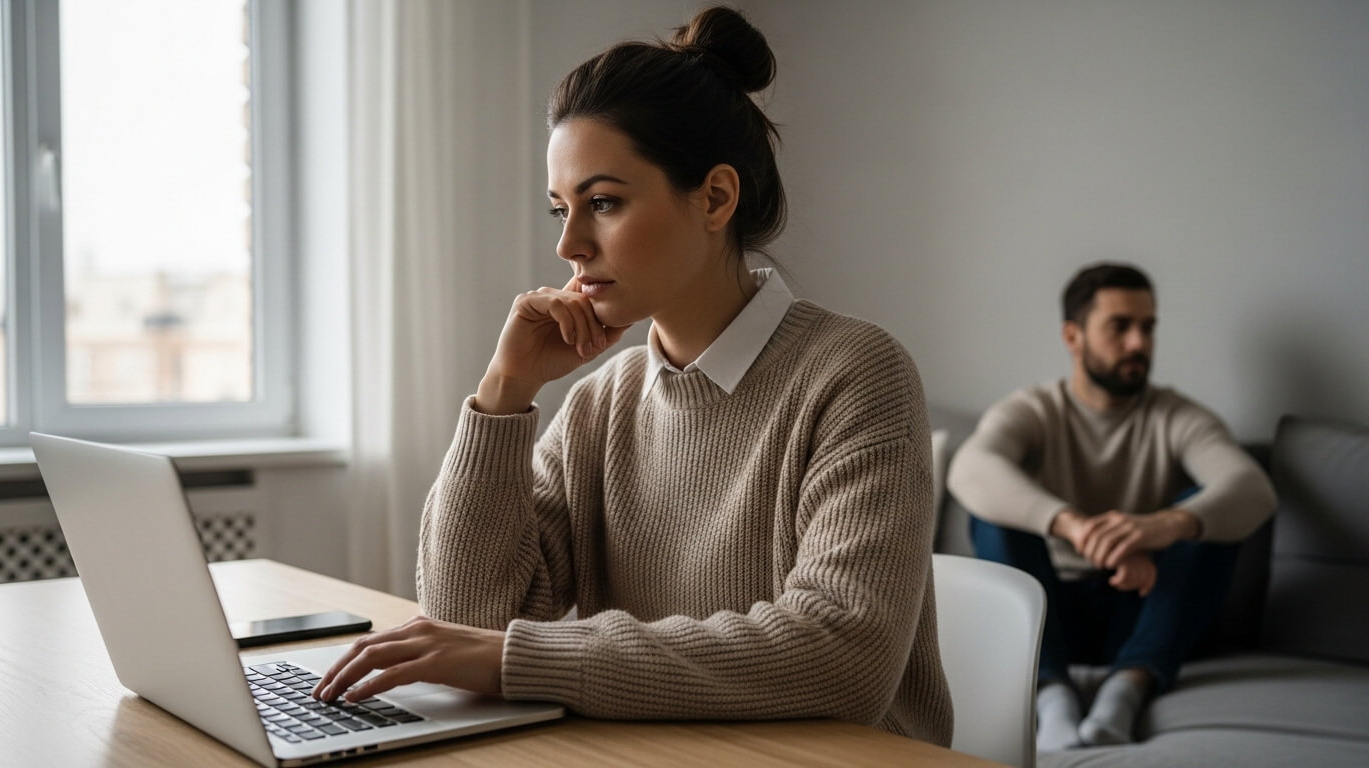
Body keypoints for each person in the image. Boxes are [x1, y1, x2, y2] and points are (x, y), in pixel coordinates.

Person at [312, 6, 953, 745]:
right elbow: (468, 617)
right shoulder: (601, 402)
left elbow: (841, 655)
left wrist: (528, 660)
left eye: (603, 203)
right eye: (560, 208)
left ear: (715, 198)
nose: (568, 245)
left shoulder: (855, 375)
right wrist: (503, 394)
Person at [948, 262, 1276, 751]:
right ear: (1073, 335)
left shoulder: (1176, 416)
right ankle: (1051, 698)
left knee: (1204, 518)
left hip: (1140, 612)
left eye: (1147, 327)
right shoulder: (1036, 409)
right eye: (1120, 327)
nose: (1139, 343)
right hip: (1049, 615)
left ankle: (1126, 693)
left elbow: (1253, 490)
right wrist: (1073, 526)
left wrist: (1161, 527)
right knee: (993, 514)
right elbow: (969, 469)